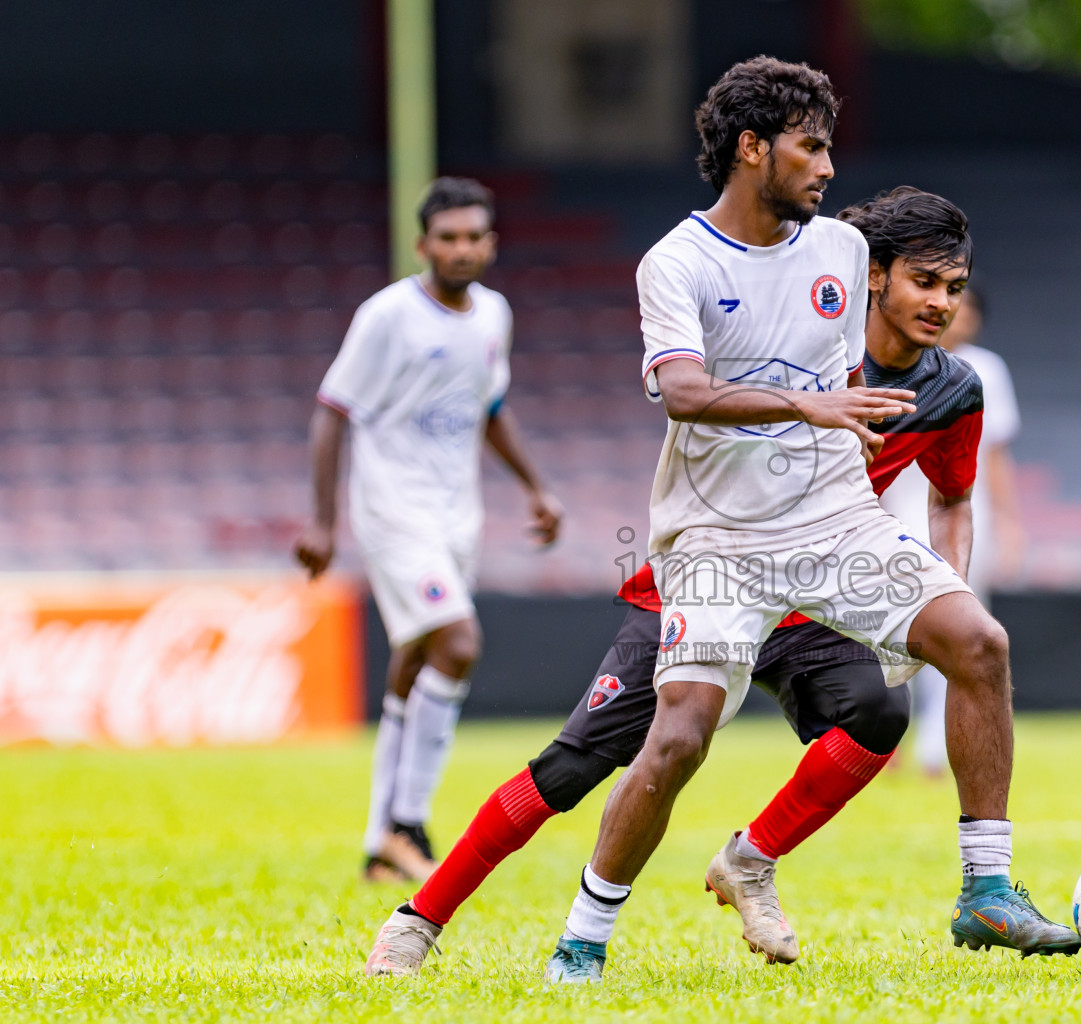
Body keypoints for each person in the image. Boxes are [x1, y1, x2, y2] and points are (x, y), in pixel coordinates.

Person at [361, 185, 1014, 978]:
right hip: (706, 577)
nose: (944, 303)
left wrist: (944, 588)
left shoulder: (950, 390)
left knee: (878, 711)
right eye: (926, 282)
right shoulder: (803, 345)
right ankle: (420, 917)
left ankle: (753, 859)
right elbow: (693, 395)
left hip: (815, 590)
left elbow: (952, 496)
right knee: (577, 765)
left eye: (955, 287)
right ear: (872, 276)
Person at [525, 55, 1074, 984]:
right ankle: (584, 936)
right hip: (715, 536)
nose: (827, 167)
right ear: (752, 147)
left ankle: (986, 892)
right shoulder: (676, 261)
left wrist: (847, 433)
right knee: (684, 730)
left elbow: (872, 393)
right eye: (810, 147)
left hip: (829, 524)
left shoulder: (844, 253)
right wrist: (808, 409)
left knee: (979, 641)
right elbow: (687, 395)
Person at [294, 177, 563, 884]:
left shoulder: (492, 316)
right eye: (448, 238)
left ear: (491, 243)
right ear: (422, 246)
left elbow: (490, 406)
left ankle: (383, 842)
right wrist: (322, 522)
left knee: (415, 661)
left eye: (474, 236)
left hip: (456, 513)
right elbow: (332, 409)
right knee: (459, 641)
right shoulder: (388, 316)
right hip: (393, 508)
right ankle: (410, 823)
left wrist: (534, 487)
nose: (462, 248)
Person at [881, 286, 1024, 774]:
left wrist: (1008, 523)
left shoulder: (987, 370)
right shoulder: (895, 363)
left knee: (958, 631)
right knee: (888, 631)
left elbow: (997, 454)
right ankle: (884, 739)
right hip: (898, 514)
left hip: (963, 511)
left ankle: (934, 747)